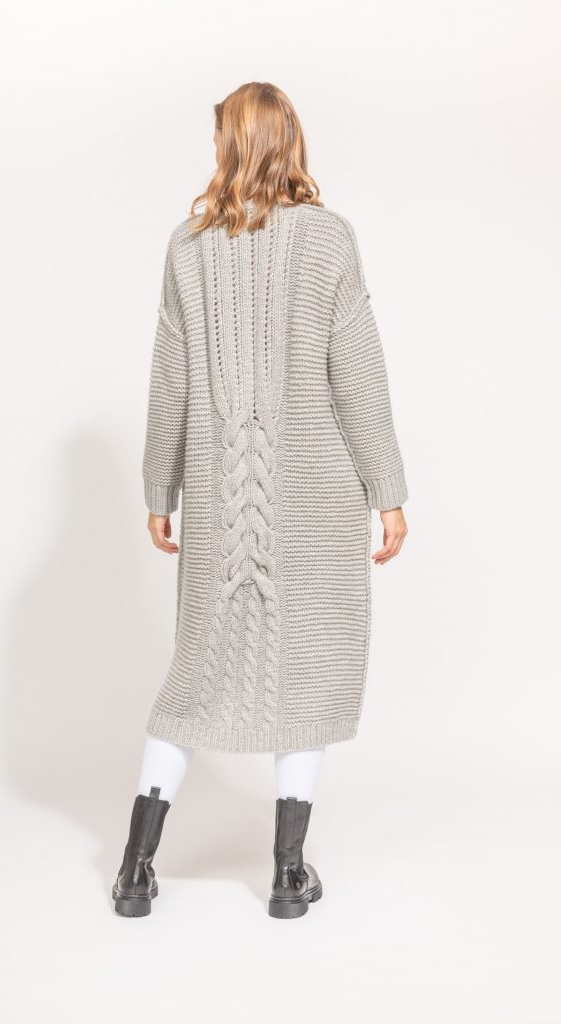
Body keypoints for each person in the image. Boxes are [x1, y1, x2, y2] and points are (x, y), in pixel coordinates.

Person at [112, 81, 409, 920]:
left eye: (219, 138)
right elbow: (358, 379)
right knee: (306, 675)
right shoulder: (328, 239)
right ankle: (286, 875)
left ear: (232, 144)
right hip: (316, 497)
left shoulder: (187, 247)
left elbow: (169, 381)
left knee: (193, 678)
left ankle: (134, 870)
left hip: (219, 497)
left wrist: (160, 488)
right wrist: (386, 491)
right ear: (289, 142)